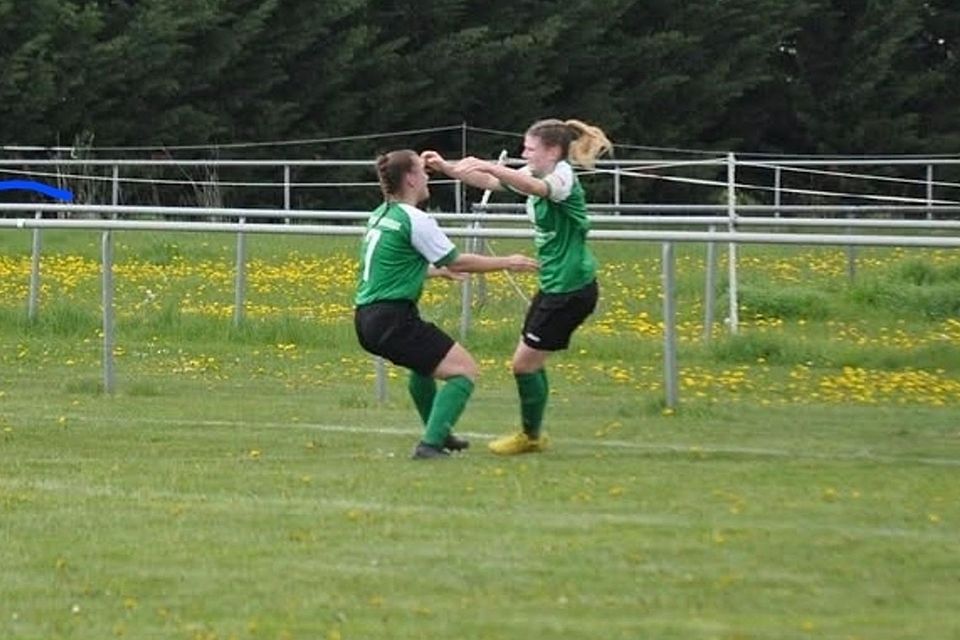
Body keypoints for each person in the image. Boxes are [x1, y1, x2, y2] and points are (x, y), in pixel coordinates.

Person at [422, 118, 612, 455]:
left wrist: (492, 165)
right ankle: (532, 434)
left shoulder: (562, 176)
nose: (525, 153)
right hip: (555, 286)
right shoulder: (534, 171)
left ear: (553, 151)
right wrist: (447, 168)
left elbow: (537, 189)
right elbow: (491, 181)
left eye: (530, 148)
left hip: (570, 288)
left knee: (524, 364)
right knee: (527, 363)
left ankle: (531, 436)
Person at [355, 149, 538, 460]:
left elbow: (390, 267)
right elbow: (459, 259)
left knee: (423, 368)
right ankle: (430, 445)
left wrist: (435, 272)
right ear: (411, 179)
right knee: (464, 371)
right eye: (422, 171)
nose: (428, 177)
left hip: (367, 318)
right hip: (391, 318)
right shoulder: (416, 219)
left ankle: (439, 433)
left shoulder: (381, 214)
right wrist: (508, 261)